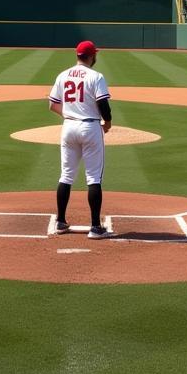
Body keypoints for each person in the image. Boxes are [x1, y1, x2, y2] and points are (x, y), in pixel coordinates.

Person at [48, 40, 113, 239]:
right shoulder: (96, 76)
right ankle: (95, 227)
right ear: (92, 56)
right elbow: (103, 104)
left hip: (69, 127)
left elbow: (52, 105)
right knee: (93, 177)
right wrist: (108, 123)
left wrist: (69, 115)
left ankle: (60, 221)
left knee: (66, 176)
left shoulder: (63, 75)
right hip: (91, 127)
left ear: (77, 55)